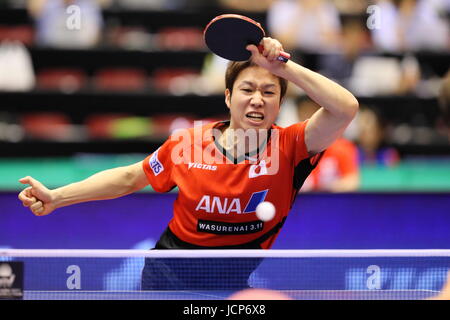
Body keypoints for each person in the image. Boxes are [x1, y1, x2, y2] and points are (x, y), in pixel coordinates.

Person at [18, 37, 359, 289]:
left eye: (269, 92)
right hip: (167, 278)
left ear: (280, 102)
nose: (257, 99)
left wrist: (282, 67)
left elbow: (345, 108)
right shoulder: (187, 143)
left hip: (230, 287)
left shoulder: (292, 147)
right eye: (247, 89)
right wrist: (57, 197)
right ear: (228, 97)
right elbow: (128, 178)